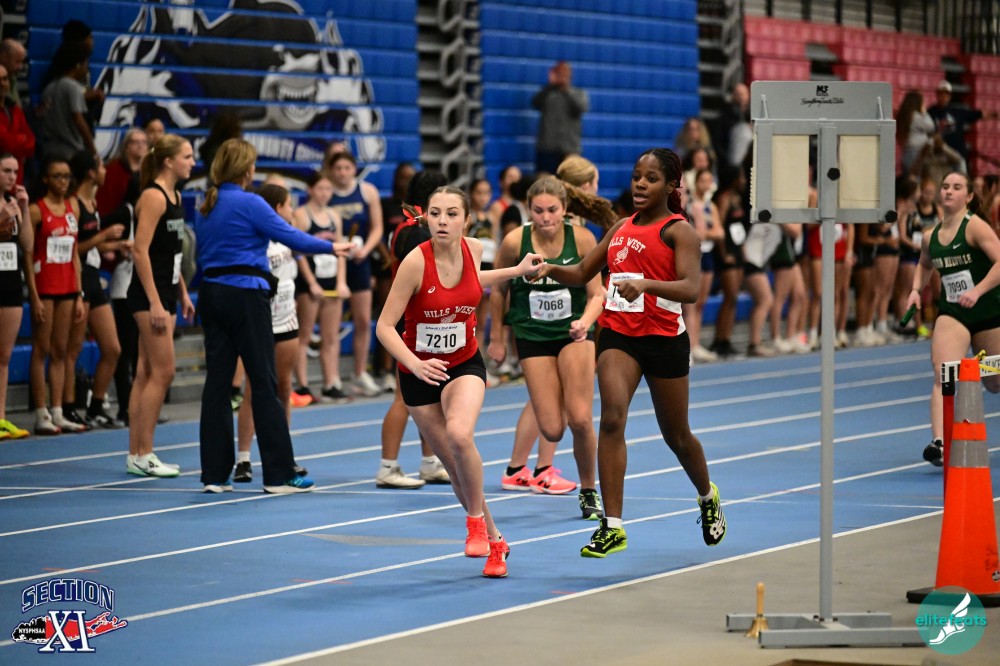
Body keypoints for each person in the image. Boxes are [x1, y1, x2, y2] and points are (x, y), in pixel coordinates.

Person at [530, 148, 727, 557]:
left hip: (664, 339)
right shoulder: (621, 227)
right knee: (612, 418)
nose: (640, 183)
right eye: (637, 176)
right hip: (620, 335)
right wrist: (549, 269)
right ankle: (613, 526)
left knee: (677, 436)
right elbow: (582, 272)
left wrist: (647, 285)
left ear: (670, 186)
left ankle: (707, 495)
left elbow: (691, 288)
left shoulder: (679, 232)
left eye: (651, 178)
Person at [376, 185, 543, 578]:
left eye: (452, 214)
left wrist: (516, 271)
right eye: (435, 213)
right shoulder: (415, 263)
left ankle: (474, 524)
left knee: (459, 434)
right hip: (419, 374)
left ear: (467, 220)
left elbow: (473, 279)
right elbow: (384, 326)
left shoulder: (475, 248)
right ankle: (496, 541)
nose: (442, 221)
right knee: (455, 468)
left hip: (464, 362)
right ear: (426, 217)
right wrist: (415, 363)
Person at [196, 138, 352, 494]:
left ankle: (215, 475)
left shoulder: (206, 203)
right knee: (264, 382)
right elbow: (290, 235)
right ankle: (279, 475)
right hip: (246, 296)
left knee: (217, 385)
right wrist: (331, 246)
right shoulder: (250, 202)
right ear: (246, 170)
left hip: (212, 294)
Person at [488, 176, 611, 519]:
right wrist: (496, 337)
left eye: (552, 210)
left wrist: (585, 322)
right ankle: (535, 467)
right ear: (529, 210)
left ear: (565, 209)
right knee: (552, 428)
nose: (545, 218)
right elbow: (498, 289)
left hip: (574, 335)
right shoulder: (515, 241)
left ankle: (589, 490)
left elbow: (597, 294)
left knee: (581, 418)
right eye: (538, 211)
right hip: (532, 336)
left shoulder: (582, 239)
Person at [906, 171, 1000, 466]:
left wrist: (978, 290)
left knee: (994, 382)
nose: (948, 191)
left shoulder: (976, 228)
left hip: (988, 311)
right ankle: (940, 442)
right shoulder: (930, 236)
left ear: (968, 196)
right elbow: (924, 265)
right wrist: (915, 290)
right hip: (954, 312)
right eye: (945, 186)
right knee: (942, 371)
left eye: (956, 187)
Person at [374, 169, 452, 489]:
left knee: (427, 395)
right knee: (404, 397)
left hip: (420, 318)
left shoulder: (408, 226)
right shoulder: (417, 232)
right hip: (411, 321)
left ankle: (430, 461)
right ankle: (388, 466)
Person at [126, 134, 196, 476]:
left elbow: (170, 253)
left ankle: (136, 453)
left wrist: (181, 292)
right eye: (187, 156)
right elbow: (140, 251)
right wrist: (155, 302)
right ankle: (145, 453)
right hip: (148, 296)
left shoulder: (176, 196)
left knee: (145, 372)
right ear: (168, 161)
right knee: (163, 372)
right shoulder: (153, 197)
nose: (192, 162)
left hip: (166, 292)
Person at [234, 184, 310, 484]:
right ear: (277, 208)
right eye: (289, 205)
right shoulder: (257, 240)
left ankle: (283, 455)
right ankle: (243, 458)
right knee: (254, 389)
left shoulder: (287, 237)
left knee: (284, 388)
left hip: (287, 319)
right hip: (262, 321)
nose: (292, 210)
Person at [66, 151, 126, 428]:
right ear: (90, 173)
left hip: (93, 277)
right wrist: (104, 236)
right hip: (77, 277)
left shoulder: (93, 201)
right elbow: (73, 248)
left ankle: (96, 407)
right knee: (73, 348)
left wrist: (116, 245)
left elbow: (93, 245)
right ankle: (67, 407)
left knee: (112, 348)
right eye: (101, 166)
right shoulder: (75, 204)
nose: (105, 171)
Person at [28, 158, 87, 434]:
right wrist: (34, 295)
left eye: (67, 176)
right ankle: (41, 413)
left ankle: (58, 411)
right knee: (41, 349)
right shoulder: (36, 210)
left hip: (67, 288)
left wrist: (79, 293)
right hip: (45, 288)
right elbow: (28, 255)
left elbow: (74, 254)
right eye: (57, 176)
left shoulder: (73, 208)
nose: (63, 181)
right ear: (46, 179)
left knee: (61, 350)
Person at [326, 151, 384, 397]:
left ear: (354, 169)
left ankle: (360, 372)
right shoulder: (326, 192)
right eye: (338, 168)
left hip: (360, 261)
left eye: (347, 168)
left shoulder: (367, 191)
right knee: (332, 324)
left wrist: (366, 250)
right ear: (331, 170)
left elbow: (377, 227)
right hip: (333, 262)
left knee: (362, 320)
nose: (342, 173)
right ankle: (333, 378)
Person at [290, 171, 350, 404]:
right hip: (310, 283)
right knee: (304, 336)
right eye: (321, 189)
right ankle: (303, 385)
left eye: (328, 189)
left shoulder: (334, 216)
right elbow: (298, 251)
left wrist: (342, 281)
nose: (325, 193)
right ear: (310, 190)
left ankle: (331, 382)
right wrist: (311, 283)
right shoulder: (301, 215)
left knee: (331, 336)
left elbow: (341, 250)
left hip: (332, 280)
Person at [0, 155, 32, 438]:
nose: (12, 176)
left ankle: (1, 418)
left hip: (10, 283)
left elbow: (28, 244)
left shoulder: (13, 203)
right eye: (6, 171)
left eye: (15, 171)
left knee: (4, 355)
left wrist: (23, 210)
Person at [38, 42, 96, 162]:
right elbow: (78, 119)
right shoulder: (73, 87)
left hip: (49, 152)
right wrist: (93, 151)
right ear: (78, 65)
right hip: (71, 153)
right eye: (86, 64)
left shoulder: (49, 88)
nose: (86, 69)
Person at [532, 61, 587, 175]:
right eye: (559, 73)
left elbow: (581, 107)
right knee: (545, 180)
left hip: (569, 149)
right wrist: (550, 86)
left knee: (571, 180)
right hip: (547, 148)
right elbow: (535, 103)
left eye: (564, 74)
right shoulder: (548, 93)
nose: (562, 77)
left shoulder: (578, 93)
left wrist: (566, 90)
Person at [928, 80, 997, 165]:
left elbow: (978, 114)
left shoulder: (957, 111)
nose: (944, 96)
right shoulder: (930, 112)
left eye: (946, 94)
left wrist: (995, 115)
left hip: (958, 154)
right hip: (940, 155)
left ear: (950, 96)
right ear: (937, 94)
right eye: (941, 93)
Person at [0, 65, 33, 185]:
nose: (2, 84)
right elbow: (6, 144)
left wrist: (16, 140)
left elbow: (31, 143)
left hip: (16, 181)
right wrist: (20, 139)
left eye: (5, 79)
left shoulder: (15, 109)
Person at [897, 91, 936, 175]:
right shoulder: (915, 116)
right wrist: (924, 112)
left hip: (909, 152)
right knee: (916, 179)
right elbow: (931, 126)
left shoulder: (906, 116)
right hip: (917, 153)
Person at [487, 165, 521, 231]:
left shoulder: (522, 204)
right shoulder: (497, 206)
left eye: (517, 177)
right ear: (501, 182)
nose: (514, 181)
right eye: (510, 177)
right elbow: (494, 232)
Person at [0, 39, 27, 108]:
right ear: (3, 58)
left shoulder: (12, 78)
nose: (20, 67)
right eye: (17, 62)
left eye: (21, 62)